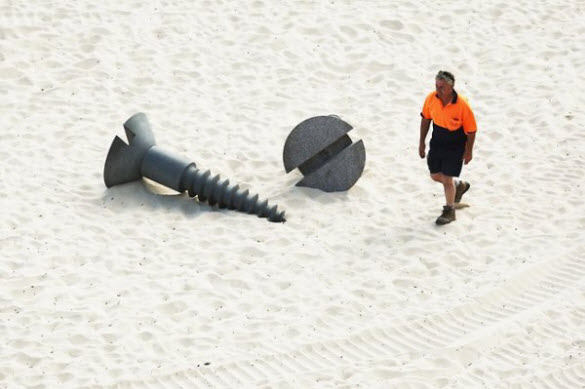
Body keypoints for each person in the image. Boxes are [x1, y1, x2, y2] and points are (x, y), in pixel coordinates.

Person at [419, 71, 477, 225]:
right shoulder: (431, 98)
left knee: (447, 178)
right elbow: (425, 119)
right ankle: (458, 186)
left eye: (442, 87)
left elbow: (471, 131)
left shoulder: (462, 105)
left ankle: (449, 211)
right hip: (437, 139)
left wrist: (469, 151)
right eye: (437, 86)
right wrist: (421, 142)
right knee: (435, 175)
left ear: (451, 87)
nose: (438, 90)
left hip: (456, 142)